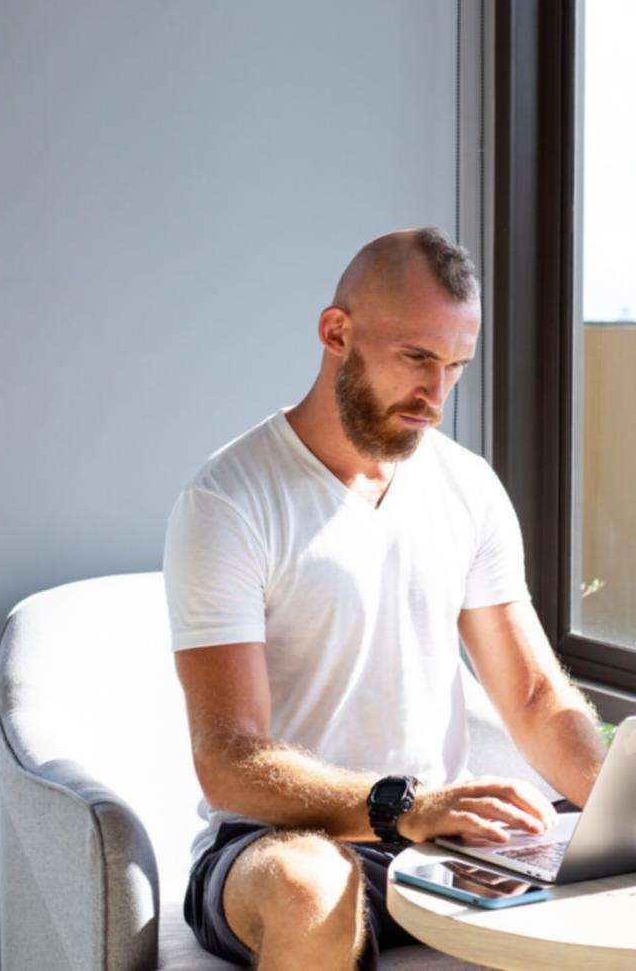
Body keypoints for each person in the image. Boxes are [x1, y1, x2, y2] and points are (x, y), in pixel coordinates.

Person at [163, 228, 606, 969]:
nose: (436, 396)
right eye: (417, 359)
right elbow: (229, 758)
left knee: (625, 873)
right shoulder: (229, 500)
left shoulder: (468, 488)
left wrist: (628, 809)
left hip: (434, 832)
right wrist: (403, 806)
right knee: (312, 887)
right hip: (279, 839)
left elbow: (532, 696)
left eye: (456, 367)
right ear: (337, 333)